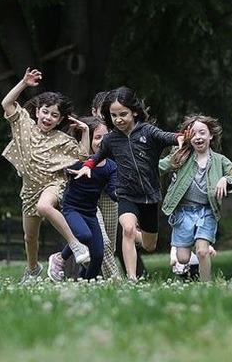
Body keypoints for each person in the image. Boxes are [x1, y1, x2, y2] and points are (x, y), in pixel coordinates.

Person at [74, 87, 184, 280]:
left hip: (149, 195)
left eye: (123, 114)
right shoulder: (111, 139)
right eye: (114, 115)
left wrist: (179, 137)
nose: (118, 119)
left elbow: (167, 137)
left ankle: (145, 238)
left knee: (149, 245)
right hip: (126, 193)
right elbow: (98, 156)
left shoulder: (148, 132)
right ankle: (131, 279)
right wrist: (87, 166)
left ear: (134, 111)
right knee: (127, 228)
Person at [1, 68, 92, 283]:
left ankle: (76, 245)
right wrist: (24, 83)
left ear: (60, 120)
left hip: (53, 184)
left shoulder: (63, 140)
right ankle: (33, 269)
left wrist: (86, 132)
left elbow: (83, 156)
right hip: (30, 188)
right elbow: (7, 103)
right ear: (37, 112)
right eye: (45, 112)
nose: (48, 117)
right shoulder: (23, 124)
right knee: (29, 237)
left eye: (54, 115)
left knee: (44, 207)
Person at [159, 115, 232, 282]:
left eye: (202, 133)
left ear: (210, 135)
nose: (198, 137)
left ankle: (206, 285)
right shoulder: (181, 157)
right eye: (193, 134)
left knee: (202, 251)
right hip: (183, 213)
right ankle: (189, 248)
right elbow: (160, 167)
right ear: (188, 138)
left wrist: (225, 180)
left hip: (207, 212)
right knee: (183, 258)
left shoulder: (220, 160)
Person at [48, 117, 118, 281]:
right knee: (84, 236)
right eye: (97, 137)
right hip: (72, 209)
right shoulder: (78, 161)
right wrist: (85, 131)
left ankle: (86, 282)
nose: (102, 141)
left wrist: (125, 195)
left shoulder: (111, 166)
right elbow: (66, 166)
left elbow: (113, 192)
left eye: (106, 137)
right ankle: (59, 258)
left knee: (98, 255)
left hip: (90, 213)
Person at [90, 91, 124, 279]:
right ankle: (115, 281)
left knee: (109, 244)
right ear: (94, 111)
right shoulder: (86, 131)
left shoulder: (120, 135)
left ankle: (93, 280)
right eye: (103, 111)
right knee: (101, 241)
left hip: (111, 195)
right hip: (88, 196)